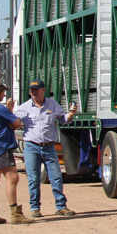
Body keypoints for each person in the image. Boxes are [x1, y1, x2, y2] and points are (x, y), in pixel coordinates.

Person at [15, 78, 77, 217]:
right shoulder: (24, 107)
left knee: (56, 177)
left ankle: (61, 206)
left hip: (49, 147)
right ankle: (35, 207)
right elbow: (15, 121)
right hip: (32, 147)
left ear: (43, 90)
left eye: (36, 89)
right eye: (32, 90)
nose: (34, 92)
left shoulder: (53, 104)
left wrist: (70, 114)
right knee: (33, 178)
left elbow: (63, 120)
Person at [0, 80, 33, 225]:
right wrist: (10, 111)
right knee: (13, 178)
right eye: (3, 92)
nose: (4, 95)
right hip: (1, 147)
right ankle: (15, 213)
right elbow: (17, 124)